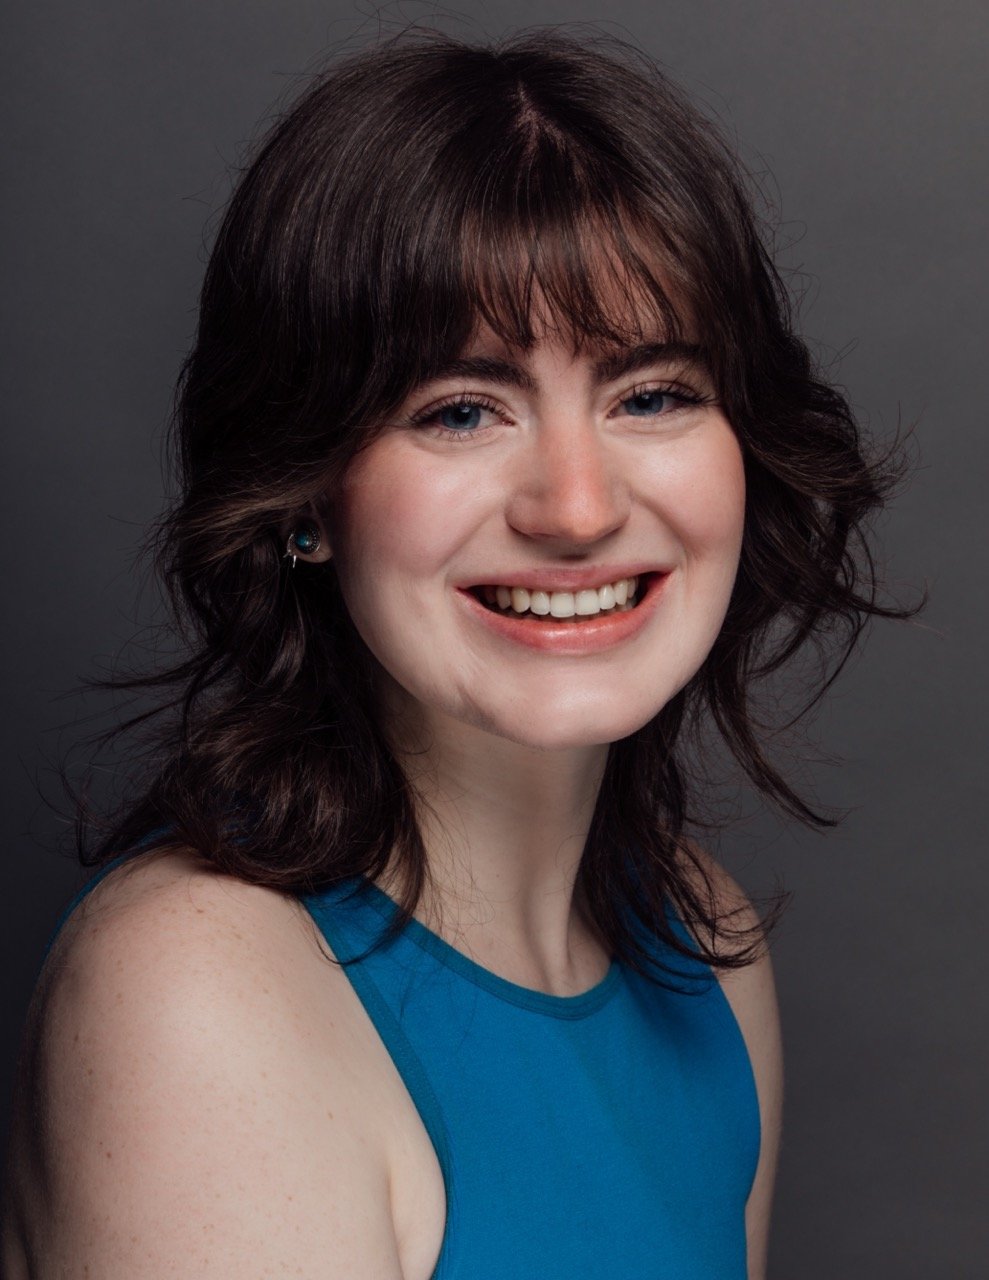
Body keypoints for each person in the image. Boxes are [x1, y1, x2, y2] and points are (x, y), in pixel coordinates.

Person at [1, 27, 905, 1280]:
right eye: (460, 410)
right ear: (304, 493)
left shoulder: (700, 943)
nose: (577, 506)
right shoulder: (197, 992)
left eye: (650, 392)